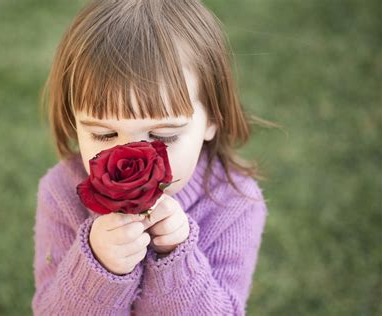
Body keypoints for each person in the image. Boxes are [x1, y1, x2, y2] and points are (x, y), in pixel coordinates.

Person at [32, 0, 275, 314]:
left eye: (162, 136)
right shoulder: (62, 192)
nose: (129, 155)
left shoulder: (234, 202)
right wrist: (98, 264)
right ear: (73, 121)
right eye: (104, 134)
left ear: (213, 119)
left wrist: (175, 259)